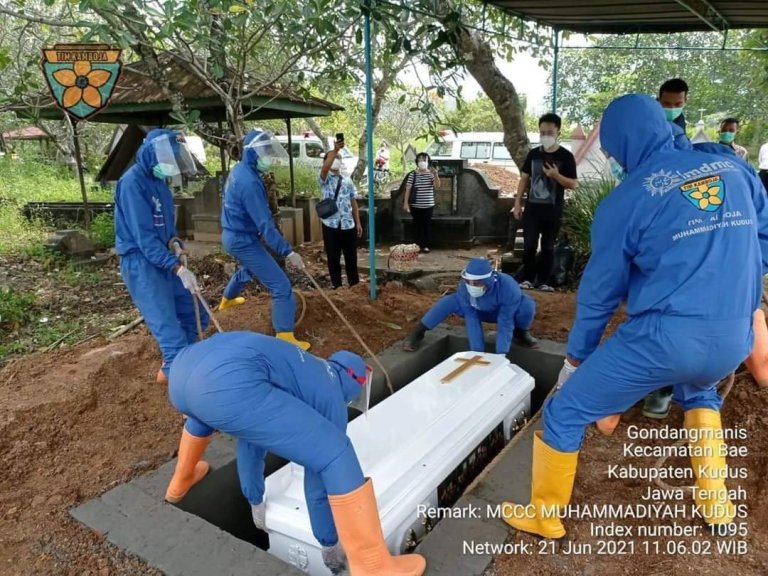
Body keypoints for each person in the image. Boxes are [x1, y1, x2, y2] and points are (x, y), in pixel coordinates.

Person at [502, 94, 768, 540]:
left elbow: (599, 295)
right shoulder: (733, 169)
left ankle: (545, 515)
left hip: (666, 337)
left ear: (624, 141)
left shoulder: (626, 200)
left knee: (565, 411)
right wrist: (738, 288)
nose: (610, 157)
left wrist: (576, 359)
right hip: (735, 334)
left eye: (610, 148)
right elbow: (761, 235)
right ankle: (717, 506)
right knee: (700, 393)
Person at [163, 331, 426, 576]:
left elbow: (251, 439)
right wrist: (328, 542)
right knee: (337, 452)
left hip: (183, 373)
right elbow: (318, 479)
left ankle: (181, 480)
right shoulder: (332, 396)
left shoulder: (309, 367)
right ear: (354, 384)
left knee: (213, 406)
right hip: (226, 383)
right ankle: (374, 566)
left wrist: (256, 501)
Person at [114, 129, 209, 385]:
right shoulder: (132, 182)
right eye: (167, 160)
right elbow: (144, 238)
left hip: (164, 257)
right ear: (150, 155)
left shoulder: (160, 183)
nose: (170, 167)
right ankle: (185, 395)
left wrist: (175, 243)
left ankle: (178, 370)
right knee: (168, 327)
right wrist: (177, 268)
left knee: (194, 311)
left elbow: (165, 227)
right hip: (142, 263)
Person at [218, 129, 310, 350]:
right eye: (265, 152)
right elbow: (266, 226)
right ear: (252, 153)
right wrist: (289, 252)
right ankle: (285, 337)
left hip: (234, 235)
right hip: (242, 239)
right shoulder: (249, 183)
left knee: (251, 268)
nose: (269, 157)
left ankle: (227, 299)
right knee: (281, 286)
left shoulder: (240, 170)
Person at [403, 257, 537, 352]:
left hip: (501, 313)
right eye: (468, 281)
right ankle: (418, 332)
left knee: (527, 305)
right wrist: (477, 353)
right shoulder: (464, 289)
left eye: (477, 283)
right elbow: (472, 319)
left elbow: (505, 321)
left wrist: (501, 355)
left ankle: (520, 333)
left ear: (488, 281)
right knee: (448, 301)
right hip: (476, 310)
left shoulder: (508, 287)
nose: (471, 286)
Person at [513, 113, 578, 292]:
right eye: (542, 132)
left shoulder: (566, 156)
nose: (546, 136)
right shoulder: (533, 154)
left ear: (558, 132)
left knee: (549, 246)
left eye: (550, 132)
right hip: (532, 209)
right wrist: (518, 203)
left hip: (553, 209)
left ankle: (545, 281)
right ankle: (527, 279)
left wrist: (556, 176)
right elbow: (524, 179)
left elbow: (573, 184)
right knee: (529, 245)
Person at [319, 139, 362, 289]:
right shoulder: (325, 179)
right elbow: (324, 170)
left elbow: (353, 201)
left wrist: (358, 222)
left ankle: (354, 286)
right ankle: (337, 286)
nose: (336, 161)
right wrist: (334, 151)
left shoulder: (347, 180)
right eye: (333, 159)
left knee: (351, 258)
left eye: (338, 158)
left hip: (348, 224)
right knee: (333, 257)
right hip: (330, 224)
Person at [403, 153, 439, 253]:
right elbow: (408, 189)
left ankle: (426, 245)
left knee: (426, 225)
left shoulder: (431, 174)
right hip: (416, 205)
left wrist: (436, 174)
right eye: (420, 160)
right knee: (417, 225)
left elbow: (437, 186)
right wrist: (406, 203)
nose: (422, 162)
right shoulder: (412, 174)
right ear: (417, 162)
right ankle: (417, 245)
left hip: (428, 205)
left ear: (428, 162)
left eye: (424, 160)